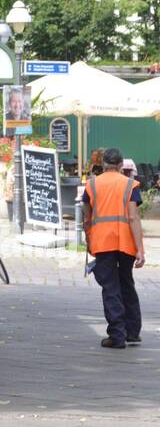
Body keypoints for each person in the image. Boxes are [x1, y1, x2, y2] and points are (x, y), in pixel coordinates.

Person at [82, 147, 145, 348]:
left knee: (110, 287)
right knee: (126, 283)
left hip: (102, 242)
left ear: (102, 164)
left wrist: (89, 239)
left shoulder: (91, 185)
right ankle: (133, 332)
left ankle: (117, 335)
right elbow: (133, 217)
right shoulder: (130, 185)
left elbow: (86, 218)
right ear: (120, 165)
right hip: (125, 243)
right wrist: (140, 249)